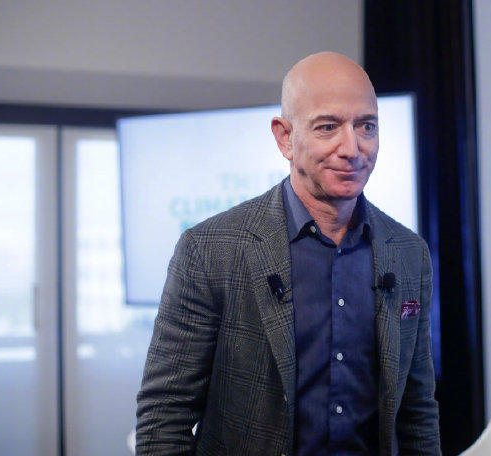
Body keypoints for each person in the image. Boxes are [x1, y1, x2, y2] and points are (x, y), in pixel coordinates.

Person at [135, 52, 440, 456]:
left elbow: (417, 413)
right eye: (328, 127)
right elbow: (164, 416)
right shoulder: (210, 249)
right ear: (284, 138)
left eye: (366, 126)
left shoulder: (408, 252)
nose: (352, 148)